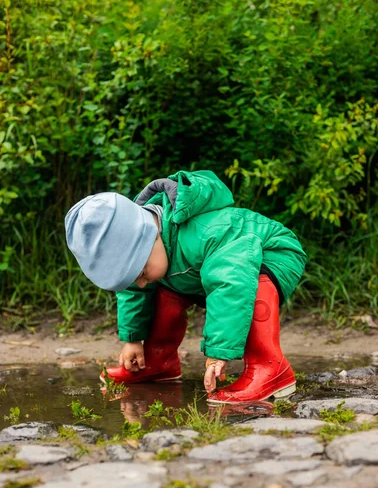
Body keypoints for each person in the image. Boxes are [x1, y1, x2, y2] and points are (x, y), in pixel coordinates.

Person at [65, 170, 306, 404]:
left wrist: (219, 352)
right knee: (160, 290)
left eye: (140, 272)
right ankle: (159, 364)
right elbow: (134, 289)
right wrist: (133, 340)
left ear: (152, 237)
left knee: (252, 287)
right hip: (200, 271)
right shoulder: (152, 254)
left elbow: (231, 283)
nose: (139, 282)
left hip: (269, 255)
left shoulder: (205, 233)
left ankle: (270, 367)